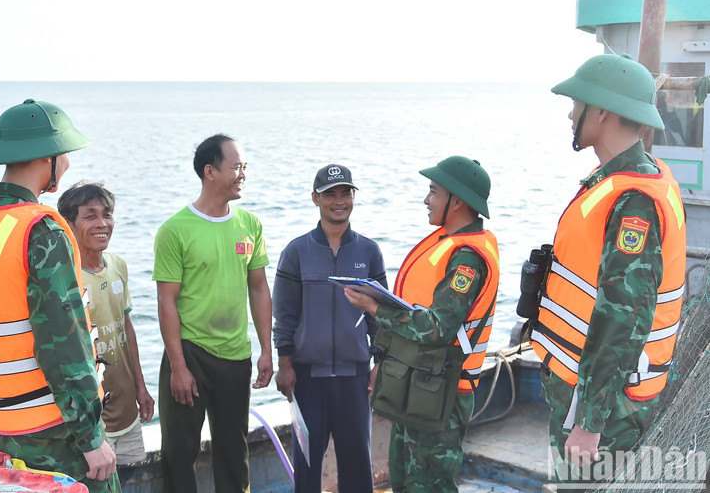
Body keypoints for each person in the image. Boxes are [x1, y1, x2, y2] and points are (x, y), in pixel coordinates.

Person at [0, 99, 120, 492]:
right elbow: (64, 343)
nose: (69, 163)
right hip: (57, 434)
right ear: (48, 158)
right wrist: (91, 438)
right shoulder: (42, 231)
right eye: (66, 154)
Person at [528, 54, 686, 490]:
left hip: (600, 404)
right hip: (585, 389)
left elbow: (625, 315)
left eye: (576, 102)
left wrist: (590, 421)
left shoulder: (634, 200)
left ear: (600, 111)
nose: (569, 112)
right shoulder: (622, 181)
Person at [344, 156, 499, 493]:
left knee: (429, 485)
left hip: (442, 394)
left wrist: (374, 307)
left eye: (433, 192)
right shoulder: (447, 243)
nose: (426, 200)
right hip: (419, 384)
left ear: (457, 201)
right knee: (404, 483)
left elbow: (436, 327)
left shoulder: (467, 258)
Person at [153, 134, 274, 493]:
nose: (242, 174)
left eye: (245, 167)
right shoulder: (175, 230)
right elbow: (166, 302)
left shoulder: (250, 224)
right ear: (210, 171)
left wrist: (266, 349)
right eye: (236, 167)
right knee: (179, 453)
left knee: (234, 453)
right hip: (189, 353)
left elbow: (258, 288)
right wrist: (178, 367)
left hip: (236, 356)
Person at [272, 164, 387, 493]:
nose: (339, 201)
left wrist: (380, 362)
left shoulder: (369, 251)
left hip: (354, 378)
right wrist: (285, 364)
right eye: (330, 194)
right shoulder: (297, 252)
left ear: (353, 198)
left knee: (358, 468)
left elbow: (381, 317)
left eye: (346, 193)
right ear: (315, 198)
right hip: (308, 379)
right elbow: (285, 315)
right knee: (307, 469)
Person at [58, 180, 155, 466]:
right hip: (90, 421)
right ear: (68, 224)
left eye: (107, 214)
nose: (102, 223)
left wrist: (141, 386)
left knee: (127, 476)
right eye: (90, 216)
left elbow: (125, 327)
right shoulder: (65, 278)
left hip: (127, 408)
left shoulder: (117, 265)